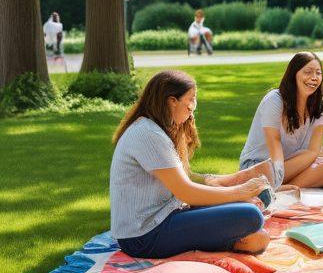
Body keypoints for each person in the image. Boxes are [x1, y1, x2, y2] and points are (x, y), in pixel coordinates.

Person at [111, 70, 270, 259]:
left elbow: (184, 179)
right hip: (144, 236)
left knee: (260, 208)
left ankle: (221, 242)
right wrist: (240, 192)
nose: (193, 107)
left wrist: (235, 188)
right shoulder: (148, 134)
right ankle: (220, 246)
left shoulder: (156, 129)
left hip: (167, 215)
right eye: (191, 99)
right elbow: (186, 192)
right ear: (172, 101)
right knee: (251, 215)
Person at [239, 52, 323, 189]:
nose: (314, 78)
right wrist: (279, 175)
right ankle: (278, 187)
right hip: (261, 165)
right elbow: (275, 145)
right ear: (293, 74)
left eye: (318, 73)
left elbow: (315, 148)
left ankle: (286, 188)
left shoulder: (321, 100)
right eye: (308, 72)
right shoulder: (275, 100)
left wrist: (322, 159)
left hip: (298, 159)